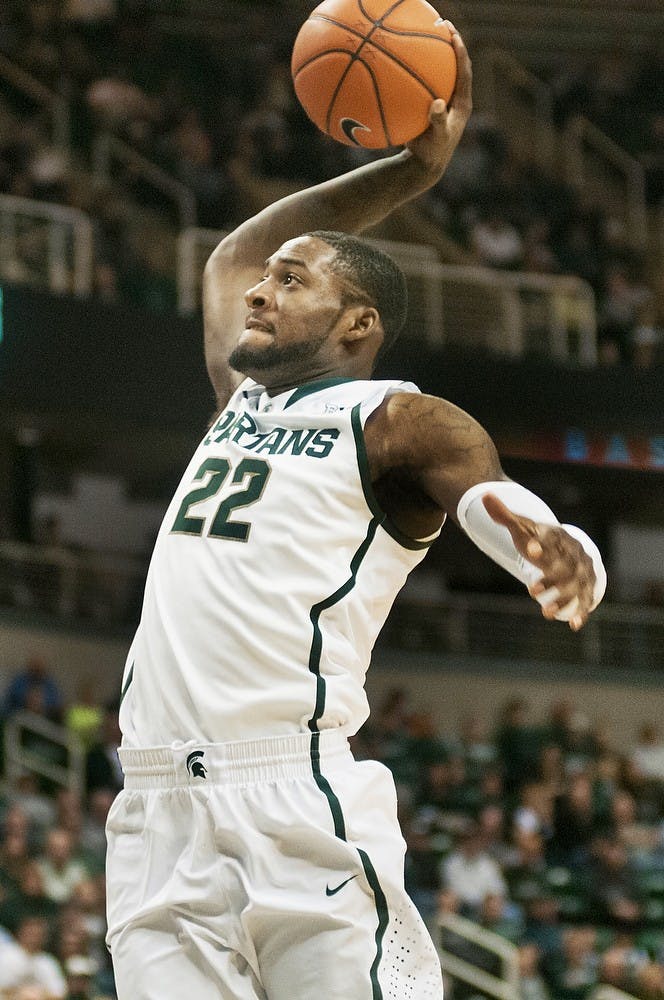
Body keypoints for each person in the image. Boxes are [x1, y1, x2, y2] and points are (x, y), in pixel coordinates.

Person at [105, 23, 606, 1000]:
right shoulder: (239, 397)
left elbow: (489, 494)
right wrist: (410, 172)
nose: (260, 288)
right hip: (155, 815)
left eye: (293, 281)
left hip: (294, 800)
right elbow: (234, 250)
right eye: (268, 278)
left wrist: (559, 545)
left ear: (357, 324)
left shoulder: (394, 419)